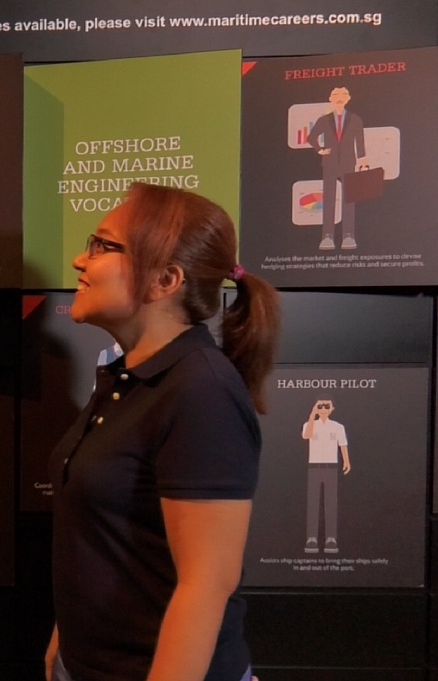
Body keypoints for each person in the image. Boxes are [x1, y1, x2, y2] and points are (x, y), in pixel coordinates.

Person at [45, 182, 280, 681]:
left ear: (165, 279)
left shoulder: (201, 390)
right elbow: (105, 537)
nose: (79, 260)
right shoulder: (127, 378)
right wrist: (65, 641)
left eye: (102, 246)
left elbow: (207, 584)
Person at [306, 86, 366, 251]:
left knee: (349, 200)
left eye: (343, 94)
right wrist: (320, 150)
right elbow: (311, 137)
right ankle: (327, 236)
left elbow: (360, 141)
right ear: (330, 98)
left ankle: (348, 236)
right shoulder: (324, 120)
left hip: (348, 163)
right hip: (330, 163)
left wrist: (362, 159)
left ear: (349, 98)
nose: (339, 97)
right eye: (336, 94)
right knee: (329, 200)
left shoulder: (355, 119)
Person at [301, 394, 351, 555]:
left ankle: (331, 538)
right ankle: (311, 538)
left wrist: (346, 461)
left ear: (332, 409)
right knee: (313, 502)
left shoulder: (337, 427)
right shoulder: (309, 424)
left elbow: (342, 444)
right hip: (314, 466)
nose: (323, 409)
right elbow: (306, 435)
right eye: (320, 406)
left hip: (331, 466)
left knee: (330, 502)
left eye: (326, 406)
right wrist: (312, 415)